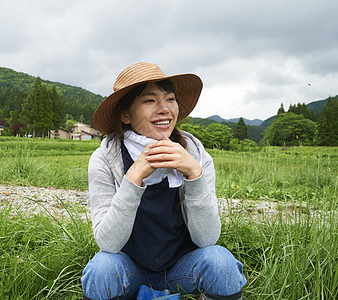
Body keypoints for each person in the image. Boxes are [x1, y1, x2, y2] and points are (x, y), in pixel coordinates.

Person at [81, 62, 246, 300]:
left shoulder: (197, 155)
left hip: (182, 269)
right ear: (125, 115)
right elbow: (108, 243)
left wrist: (194, 174)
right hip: (130, 270)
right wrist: (134, 176)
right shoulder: (105, 158)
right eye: (149, 101)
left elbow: (208, 239)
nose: (164, 109)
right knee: (102, 268)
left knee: (220, 261)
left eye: (170, 99)